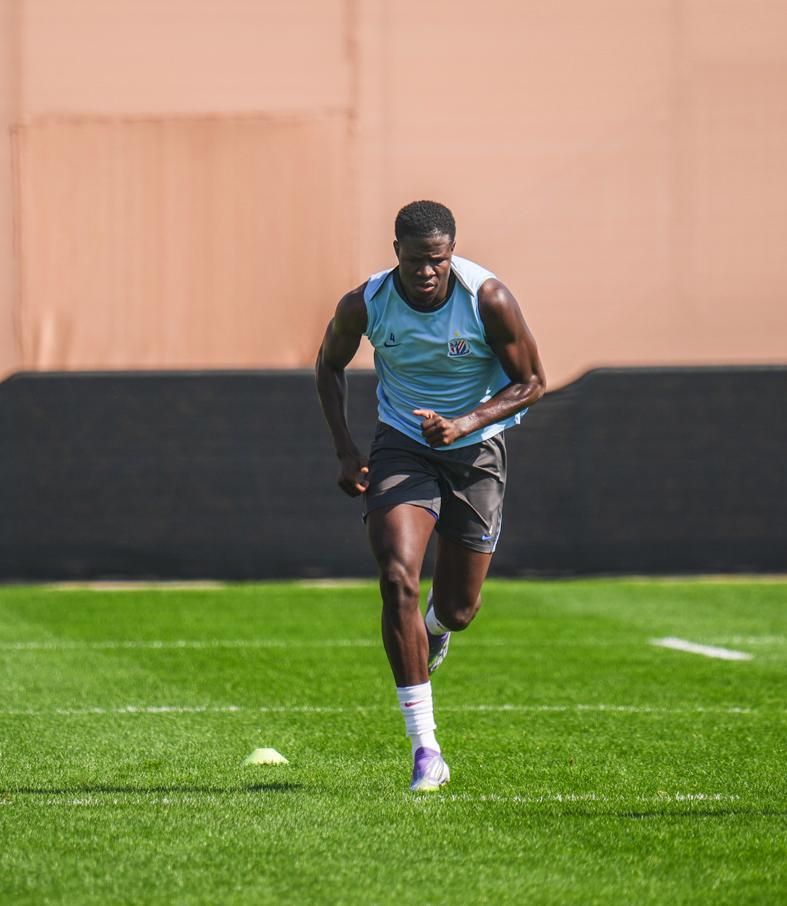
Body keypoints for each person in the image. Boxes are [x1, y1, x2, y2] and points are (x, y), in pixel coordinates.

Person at [315, 200, 546, 791]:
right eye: (415, 260)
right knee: (397, 577)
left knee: (461, 609)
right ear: (396, 252)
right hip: (402, 445)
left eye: (437, 261)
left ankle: (437, 626)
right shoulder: (365, 303)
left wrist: (464, 423)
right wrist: (346, 450)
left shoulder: (487, 298)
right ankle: (426, 750)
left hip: (476, 450)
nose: (426, 271)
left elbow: (532, 382)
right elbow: (329, 364)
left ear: (452, 254)